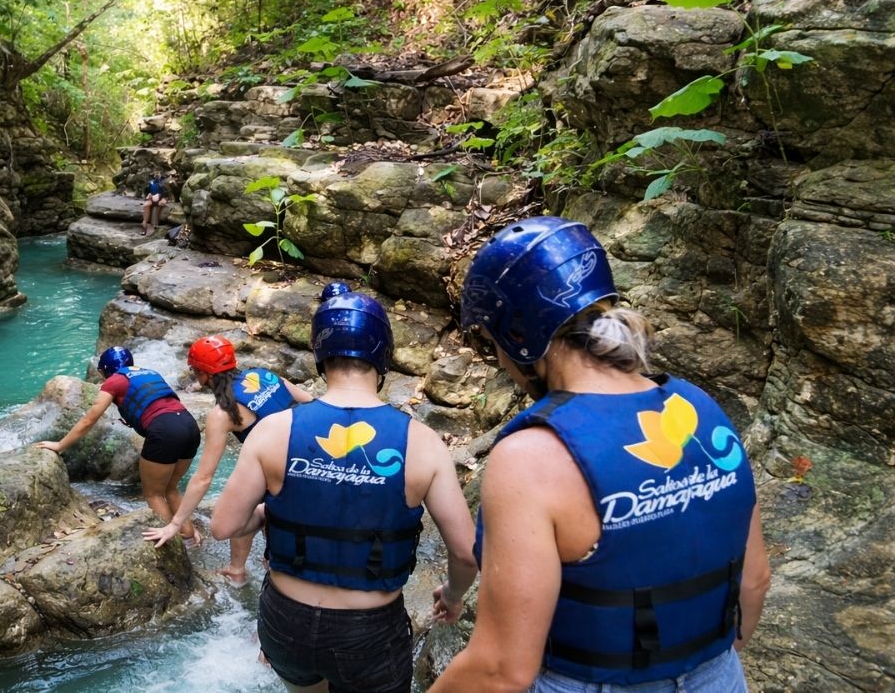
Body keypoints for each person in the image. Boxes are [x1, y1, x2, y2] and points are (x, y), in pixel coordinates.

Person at [429, 216, 771, 693]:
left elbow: (502, 669)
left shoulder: (532, 457)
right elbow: (754, 580)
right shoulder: (699, 406)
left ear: (517, 334)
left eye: (494, 344)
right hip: (718, 674)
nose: (502, 362)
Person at [212, 292, 478, 693]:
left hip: (287, 620)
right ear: (383, 354)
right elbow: (463, 552)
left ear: (321, 353)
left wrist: (272, 512)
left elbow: (224, 525)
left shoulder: (273, 429)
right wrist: (453, 596)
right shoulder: (421, 442)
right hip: (368, 630)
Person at [143, 335, 313, 585]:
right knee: (245, 496)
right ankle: (236, 570)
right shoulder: (263, 375)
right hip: (308, 457)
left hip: (284, 475)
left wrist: (175, 523)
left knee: (242, 517)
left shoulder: (223, 413)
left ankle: (269, 557)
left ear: (203, 375)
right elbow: (311, 403)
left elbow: (203, 478)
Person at [36, 346, 202, 545]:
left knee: (153, 493)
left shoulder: (114, 381)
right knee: (171, 489)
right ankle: (189, 535)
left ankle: (174, 545)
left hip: (164, 431)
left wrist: (60, 445)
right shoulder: (150, 373)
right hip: (189, 426)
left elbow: (89, 420)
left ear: (106, 370)